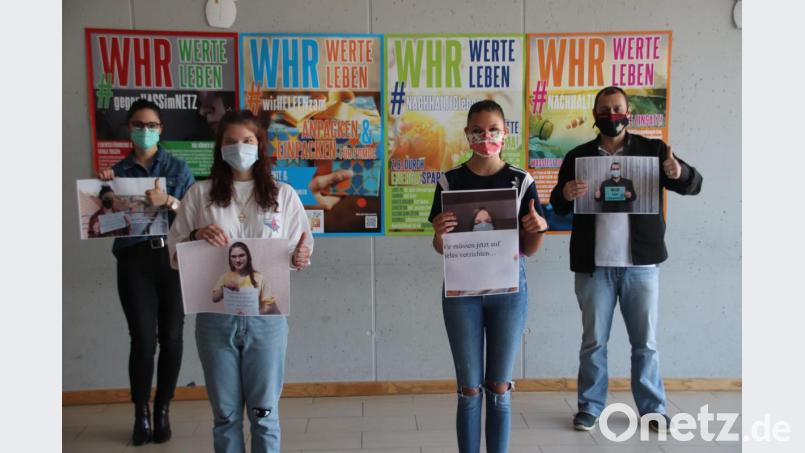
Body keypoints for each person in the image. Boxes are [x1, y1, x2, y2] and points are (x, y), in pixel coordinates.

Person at [549, 86, 703, 433]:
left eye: (617, 107)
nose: (612, 114)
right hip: (594, 268)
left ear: (628, 112)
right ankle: (589, 407)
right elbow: (557, 205)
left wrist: (678, 173)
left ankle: (652, 408)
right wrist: (565, 193)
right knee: (593, 343)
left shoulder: (653, 151)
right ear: (594, 115)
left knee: (645, 343)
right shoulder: (577, 157)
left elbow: (694, 184)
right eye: (605, 109)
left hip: (641, 266)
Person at [168, 110, 313, 453]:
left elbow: (300, 249)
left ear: (260, 146)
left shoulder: (284, 195)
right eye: (230, 142)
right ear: (220, 148)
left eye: (247, 141)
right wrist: (195, 233)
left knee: (264, 414)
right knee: (226, 415)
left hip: (267, 318)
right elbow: (174, 256)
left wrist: (301, 257)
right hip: (216, 319)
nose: (239, 148)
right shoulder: (199, 194)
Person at [429, 100, 548, 453]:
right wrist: (439, 235)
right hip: (461, 292)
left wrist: (539, 228)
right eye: (478, 131)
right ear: (467, 135)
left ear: (505, 131)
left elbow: (531, 247)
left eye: (493, 129)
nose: (486, 136)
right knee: (468, 387)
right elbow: (440, 246)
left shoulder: (520, 180)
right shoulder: (450, 180)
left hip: (509, 291)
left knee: (499, 385)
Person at [97, 99, 195, 445]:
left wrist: (168, 202)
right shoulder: (116, 171)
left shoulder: (178, 168)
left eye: (151, 124)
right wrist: (102, 191)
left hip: (171, 260)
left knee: (171, 337)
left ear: (161, 129)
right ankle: (140, 412)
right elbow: (102, 222)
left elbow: (193, 216)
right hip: (134, 261)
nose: (144, 130)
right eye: (138, 124)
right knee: (141, 340)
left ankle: (162, 409)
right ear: (129, 128)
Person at [212, 242, 280, 315]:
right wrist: (224, 288)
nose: (237, 260)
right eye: (233, 256)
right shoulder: (225, 277)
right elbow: (214, 298)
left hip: (253, 320)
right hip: (231, 321)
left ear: (248, 256)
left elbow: (269, 306)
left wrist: (252, 314)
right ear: (230, 258)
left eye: (241, 256)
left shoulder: (259, 278)